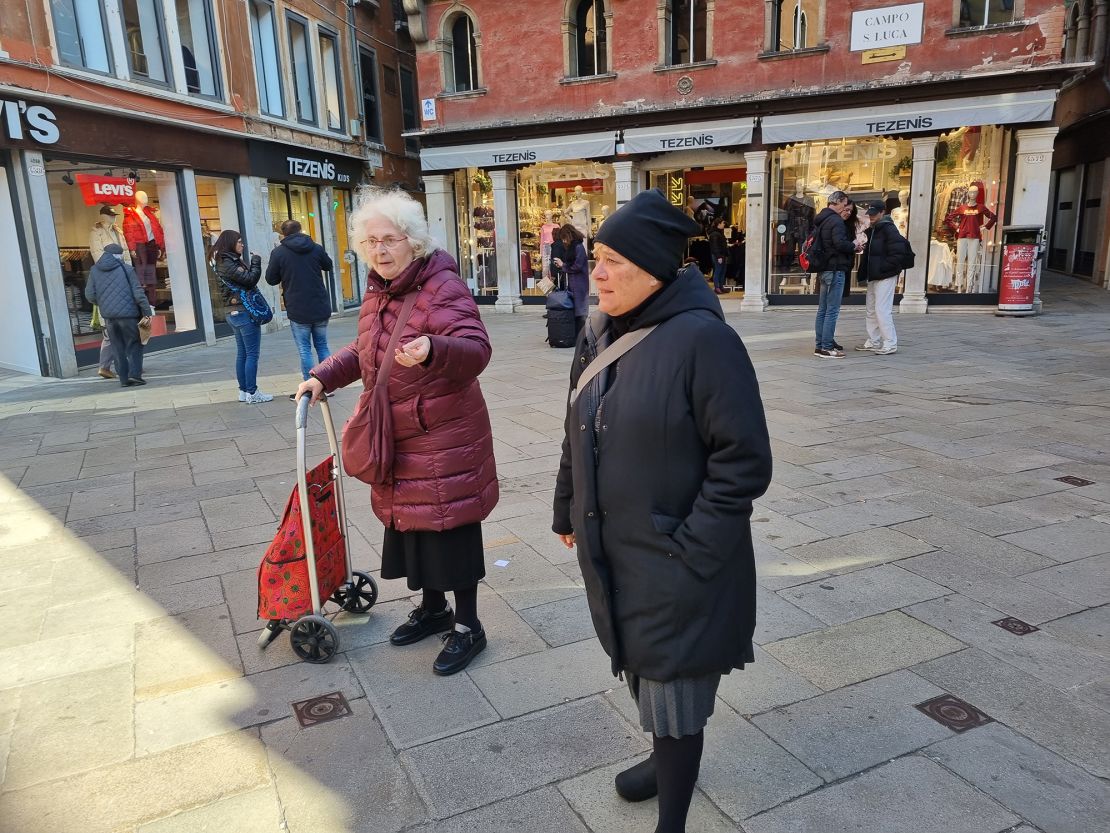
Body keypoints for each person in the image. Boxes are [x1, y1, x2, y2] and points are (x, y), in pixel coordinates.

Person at [552, 189, 773, 833]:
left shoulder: (705, 342)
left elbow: (744, 462)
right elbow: (576, 429)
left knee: (675, 689)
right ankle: (663, 759)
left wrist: (692, 551)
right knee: (639, 661)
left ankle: (671, 817)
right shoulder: (597, 333)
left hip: (677, 556)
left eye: (612, 260)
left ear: (653, 269)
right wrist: (567, 508)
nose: (595, 272)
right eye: (595, 256)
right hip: (614, 545)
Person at [296, 187, 499, 676]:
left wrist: (434, 347)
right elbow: (369, 350)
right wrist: (324, 375)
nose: (381, 250)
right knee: (414, 528)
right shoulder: (378, 289)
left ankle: (469, 626)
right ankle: (434, 611)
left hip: (442, 434)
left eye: (390, 239)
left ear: (414, 241)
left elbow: (477, 349)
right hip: (399, 434)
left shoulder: (441, 286)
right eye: (371, 242)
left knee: (451, 530)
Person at [265, 219, 334, 393]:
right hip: (319, 304)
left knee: (305, 349)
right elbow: (328, 265)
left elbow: (271, 279)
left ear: (283, 233)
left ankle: (310, 385)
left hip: (297, 307)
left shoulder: (279, 253)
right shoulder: (315, 247)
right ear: (301, 230)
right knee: (322, 345)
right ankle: (329, 383)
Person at [214, 230, 274, 403]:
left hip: (233, 312)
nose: (242, 244)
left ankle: (243, 391)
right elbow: (250, 280)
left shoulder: (225, 261)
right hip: (242, 312)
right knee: (251, 354)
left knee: (243, 353)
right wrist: (256, 262)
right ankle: (252, 393)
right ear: (230, 243)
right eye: (239, 241)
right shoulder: (228, 262)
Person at [83, 243, 152, 387]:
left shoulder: (94, 270)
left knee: (117, 346)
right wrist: (147, 311)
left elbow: (89, 294)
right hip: (129, 316)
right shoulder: (127, 269)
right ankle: (135, 375)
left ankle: (124, 379)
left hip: (109, 316)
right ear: (118, 255)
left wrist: (103, 303)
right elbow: (138, 293)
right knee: (135, 343)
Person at [856, 201, 904, 355]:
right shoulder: (873, 229)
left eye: (874, 214)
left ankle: (890, 342)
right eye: (870, 214)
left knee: (881, 310)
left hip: (884, 274)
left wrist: (884, 268)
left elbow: (898, 253)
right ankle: (874, 340)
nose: (871, 216)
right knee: (871, 309)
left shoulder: (889, 229)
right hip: (874, 275)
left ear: (883, 212)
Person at [813, 191, 857, 358]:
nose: (845, 207)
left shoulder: (822, 219)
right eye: (844, 204)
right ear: (837, 202)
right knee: (832, 310)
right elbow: (839, 244)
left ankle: (820, 345)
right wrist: (853, 246)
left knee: (823, 309)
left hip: (824, 269)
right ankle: (826, 347)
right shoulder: (836, 221)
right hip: (835, 268)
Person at [551, 223, 589, 335]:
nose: (563, 241)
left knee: (580, 310)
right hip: (573, 284)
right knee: (575, 310)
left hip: (580, 284)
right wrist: (562, 265)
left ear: (568, 235)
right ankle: (576, 334)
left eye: (564, 238)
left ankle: (582, 335)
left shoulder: (578, 247)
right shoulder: (573, 247)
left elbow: (577, 266)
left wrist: (563, 265)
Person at [708, 217, 728, 294]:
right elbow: (715, 246)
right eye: (722, 223)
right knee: (718, 271)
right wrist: (718, 256)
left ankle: (721, 286)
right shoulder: (714, 234)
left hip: (722, 254)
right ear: (718, 224)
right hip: (718, 255)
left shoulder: (719, 233)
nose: (724, 224)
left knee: (722, 271)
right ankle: (717, 287)